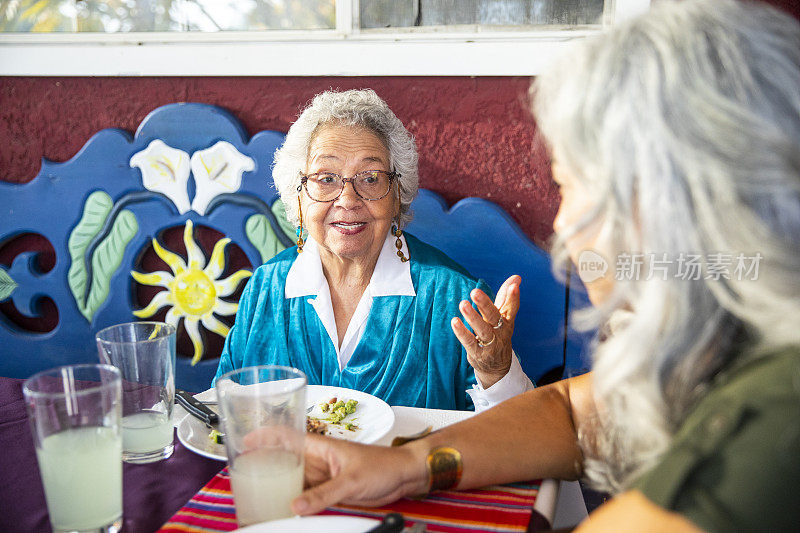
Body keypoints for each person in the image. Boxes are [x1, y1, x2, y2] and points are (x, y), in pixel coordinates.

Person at [288, 1, 800, 530]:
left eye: (570, 185)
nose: (563, 226)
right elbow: (574, 416)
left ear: (662, 204)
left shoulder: (766, 424)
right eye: (324, 180)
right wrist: (406, 466)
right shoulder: (734, 344)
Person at [214, 89, 534, 410]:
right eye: (326, 178)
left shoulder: (456, 300)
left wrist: (496, 371)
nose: (348, 200)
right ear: (298, 195)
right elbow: (221, 413)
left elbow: (511, 435)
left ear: (397, 196)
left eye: (370, 178)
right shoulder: (264, 289)